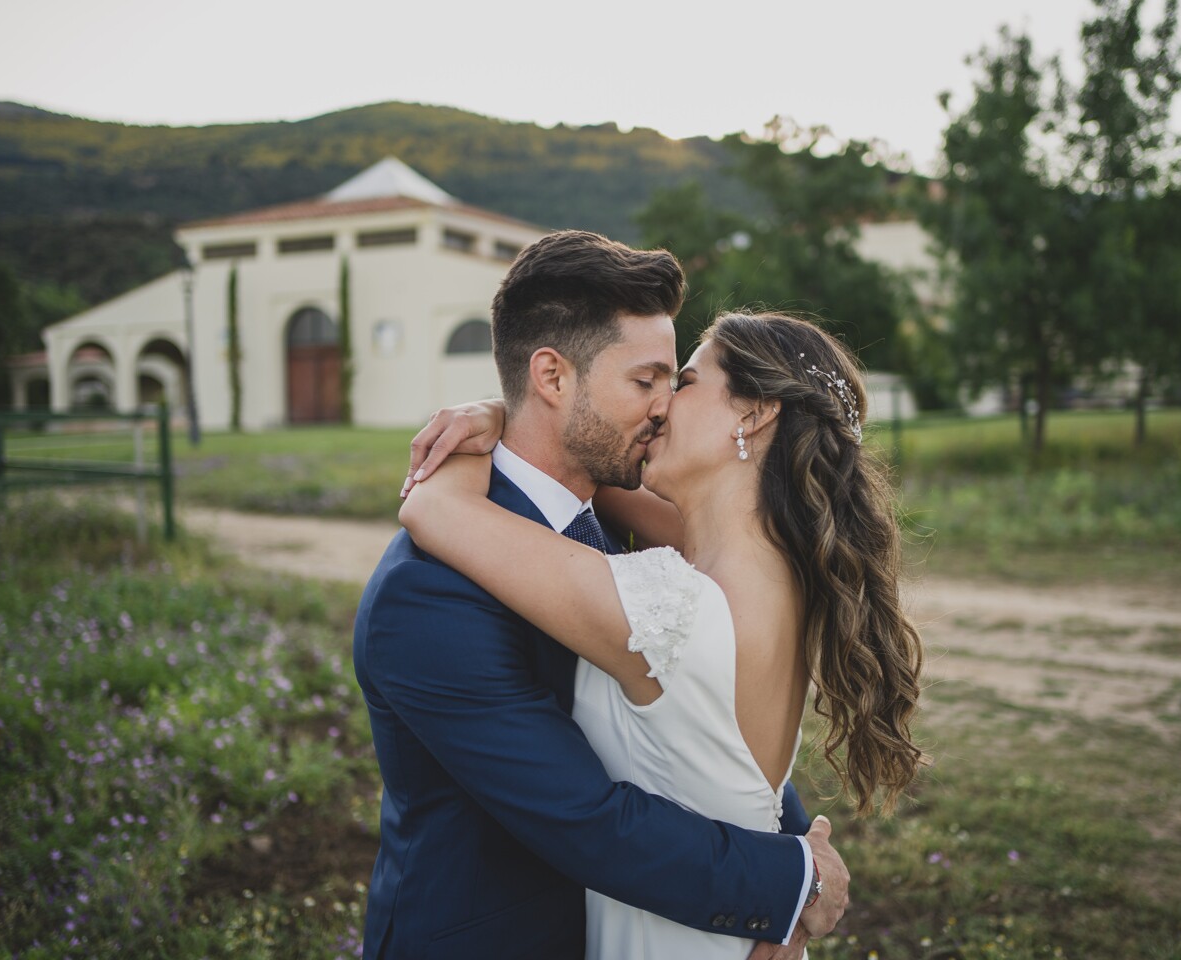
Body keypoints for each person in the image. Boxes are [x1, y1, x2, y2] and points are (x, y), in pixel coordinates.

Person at [352, 231, 851, 960]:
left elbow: (707, 728)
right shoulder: (427, 594)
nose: (664, 407)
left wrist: (779, 852)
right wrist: (782, 884)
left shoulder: (623, 533)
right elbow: (584, 818)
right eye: (646, 381)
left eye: (675, 383)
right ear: (552, 379)